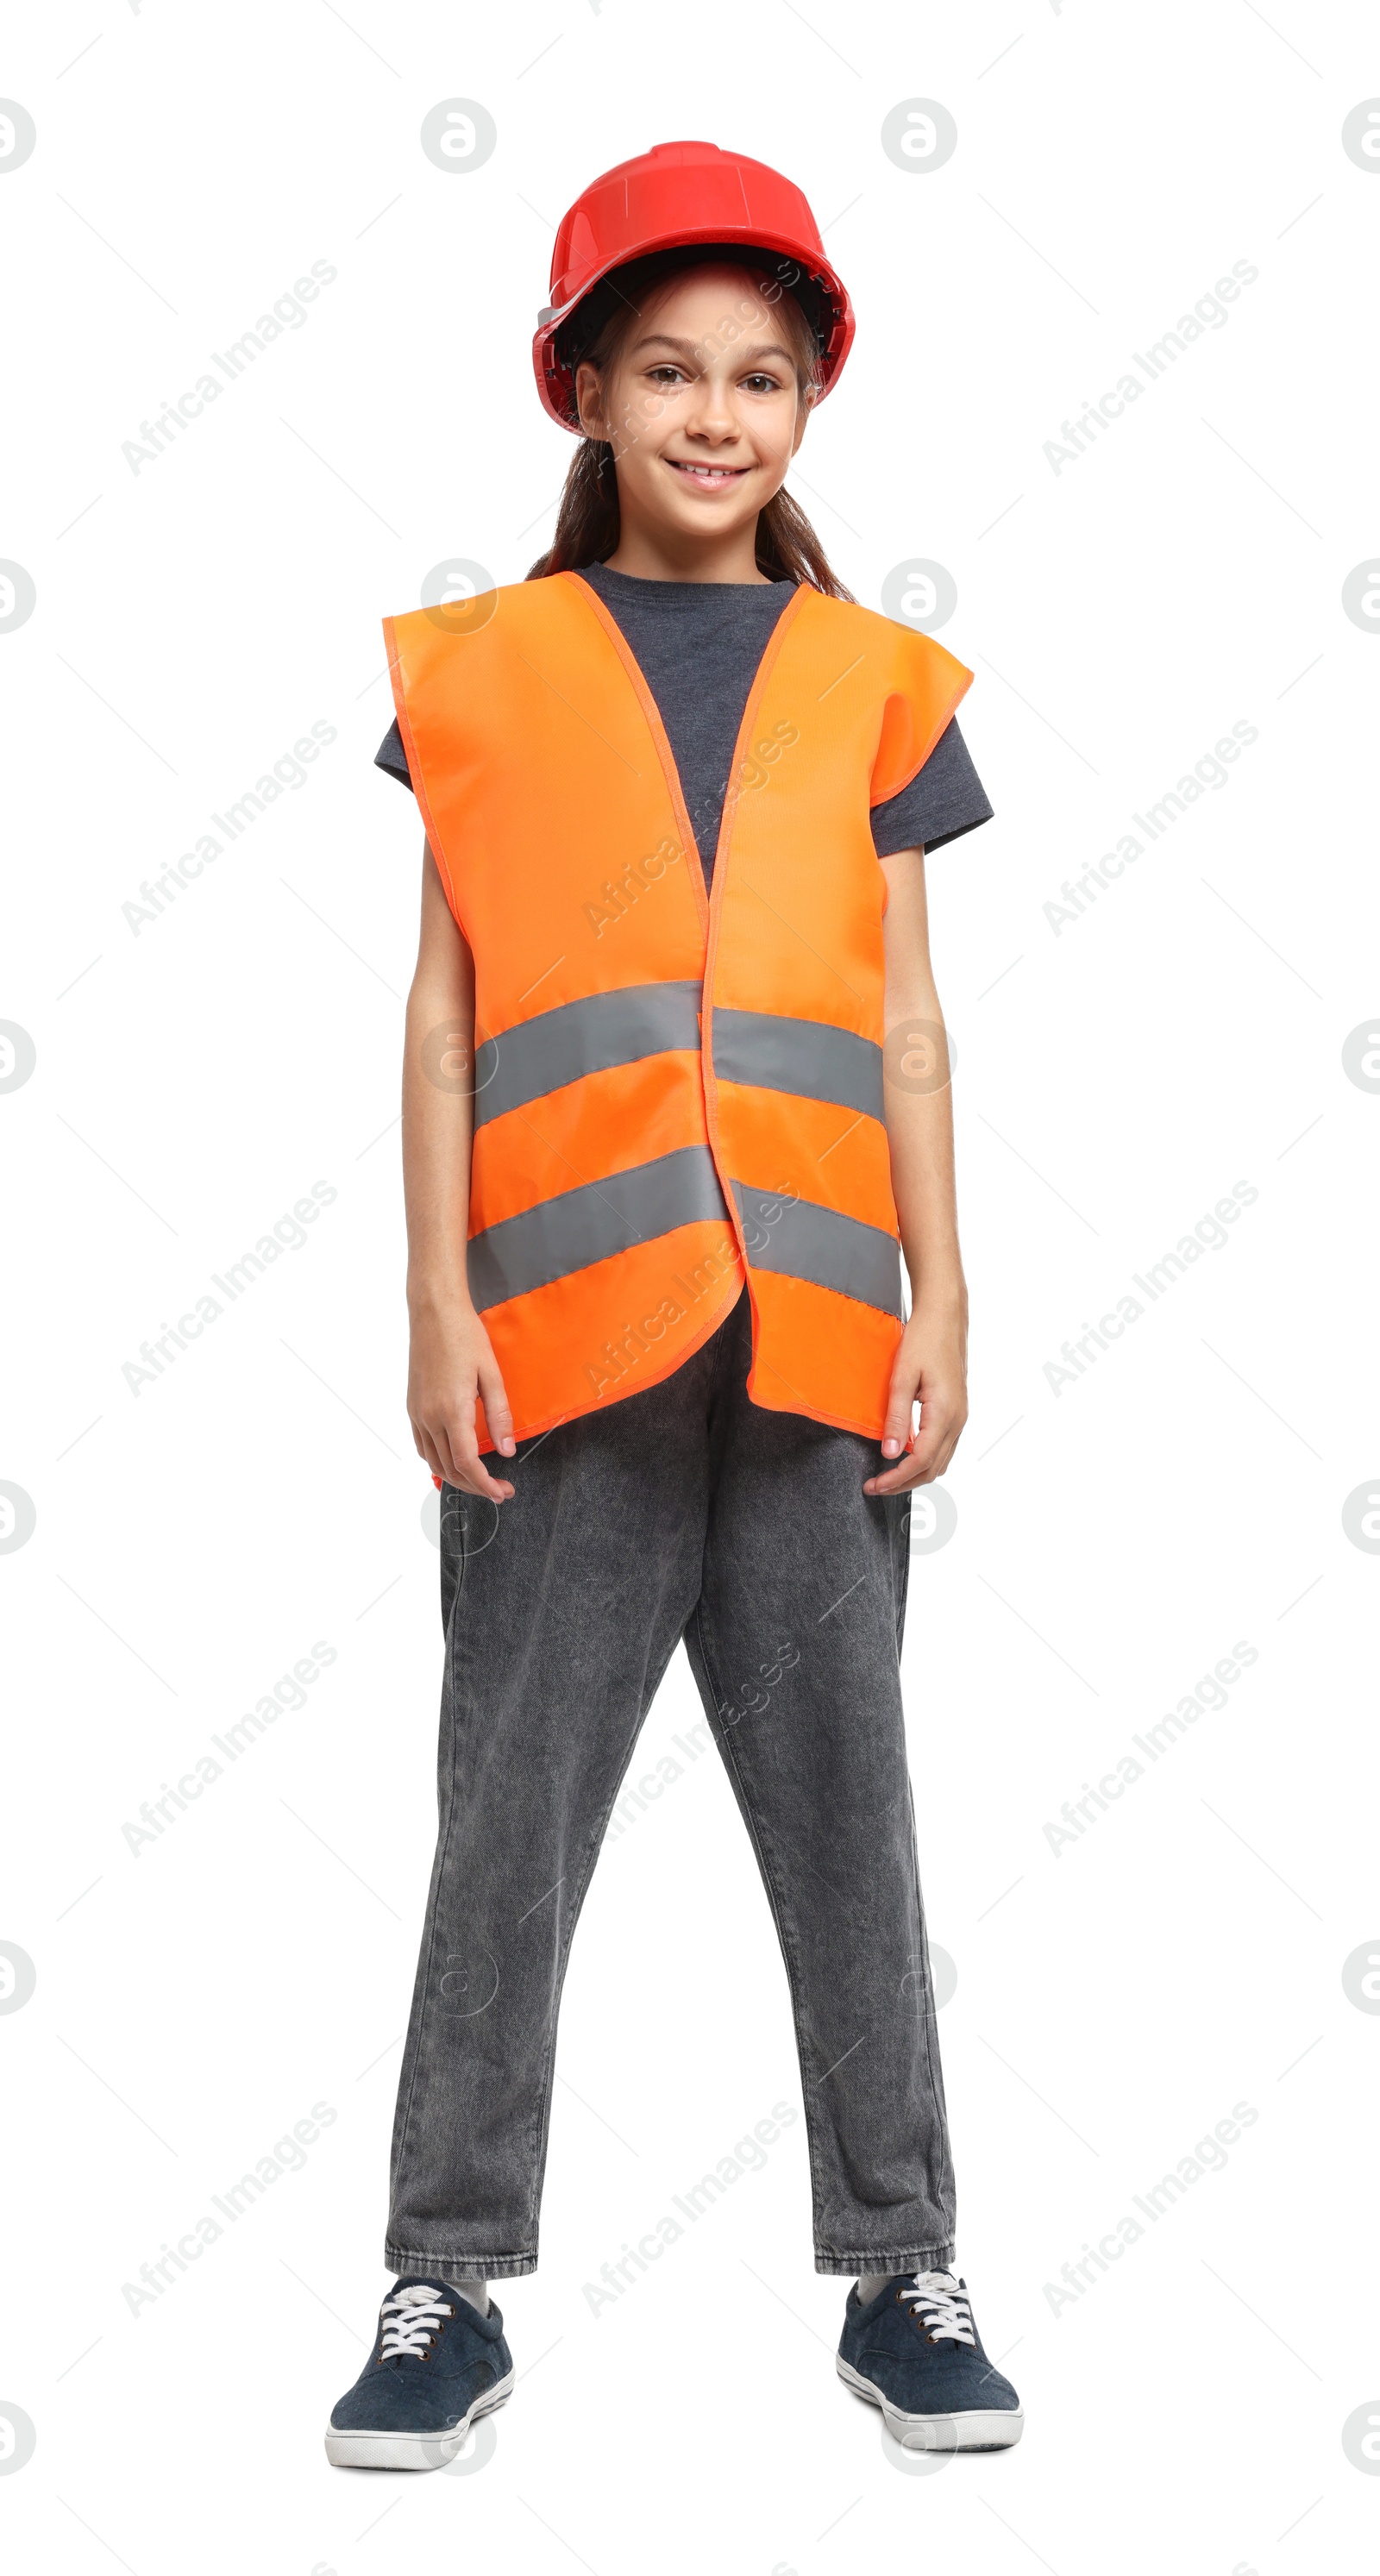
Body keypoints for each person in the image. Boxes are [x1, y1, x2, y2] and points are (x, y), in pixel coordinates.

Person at [325, 138, 1022, 2469]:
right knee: (501, 1815)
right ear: (587, 396)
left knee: (854, 1813)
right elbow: (438, 1016)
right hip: (562, 1345)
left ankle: (901, 2262)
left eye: (760, 375)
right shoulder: (489, 669)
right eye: (667, 373)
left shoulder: (875, 681)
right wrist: (435, 1300)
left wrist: (950, 1290)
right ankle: (445, 2280)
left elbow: (910, 1022)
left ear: (810, 403)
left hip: (817, 1344)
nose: (718, 416)